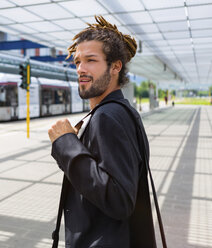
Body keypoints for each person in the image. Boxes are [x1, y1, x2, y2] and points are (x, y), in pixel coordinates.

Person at [48, 16, 156, 247]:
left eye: (91, 60)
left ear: (115, 66)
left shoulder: (107, 117)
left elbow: (119, 200)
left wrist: (66, 144)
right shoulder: (124, 112)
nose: (81, 69)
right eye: (77, 62)